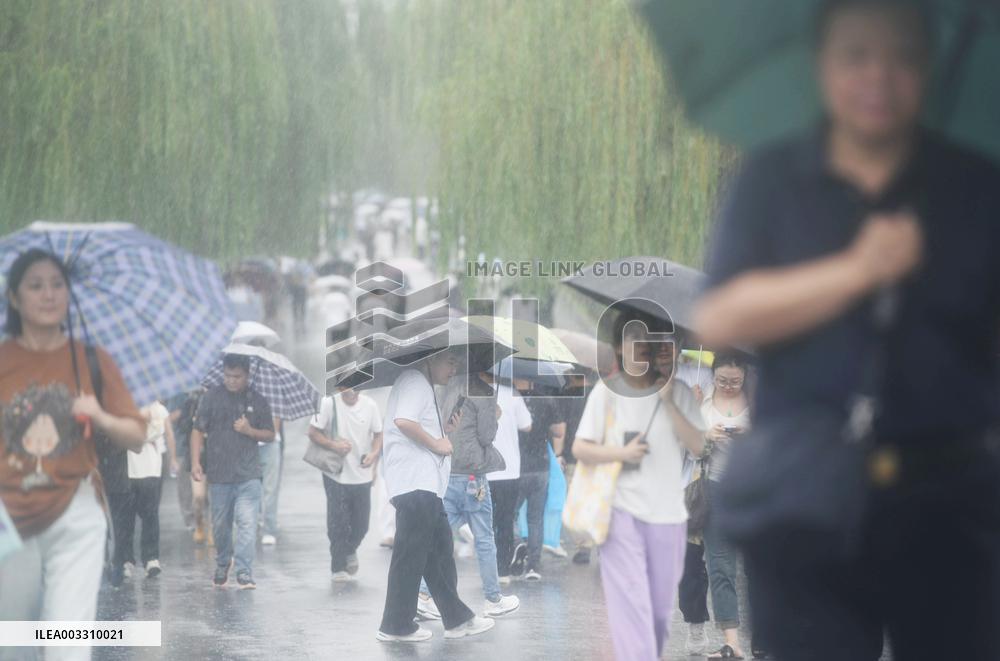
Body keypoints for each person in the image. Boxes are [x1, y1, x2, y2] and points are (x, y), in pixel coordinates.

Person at [694, 1, 1000, 658]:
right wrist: (858, 269)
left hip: (949, 498)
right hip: (802, 492)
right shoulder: (772, 179)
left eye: (903, 58)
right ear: (820, 66)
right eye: (857, 55)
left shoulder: (974, 184)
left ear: (930, 67)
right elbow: (720, 313)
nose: (879, 77)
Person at [0, 250, 145, 661]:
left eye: (57, 284)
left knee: (68, 642)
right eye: (35, 285)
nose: (48, 294)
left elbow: (136, 435)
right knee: (14, 646)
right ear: (14, 298)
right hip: (8, 520)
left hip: (76, 513)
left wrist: (100, 415)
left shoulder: (92, 361)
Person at [572, 310, 705, 661]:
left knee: (659, 616)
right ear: (620, 347)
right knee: (633, 610)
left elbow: (699, 447)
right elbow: (581, 447)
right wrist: (621, 452)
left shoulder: (680, 393)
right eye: (635, 340)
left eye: (652, 341)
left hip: (669, 518)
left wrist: (669, 401)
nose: (643, 348)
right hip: (620, 515)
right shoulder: (607, 393)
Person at [376, 350, 495, 642]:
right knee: (411, 556)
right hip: (415, 484)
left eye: (457, 361)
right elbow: (404, 421)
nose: (454, 368)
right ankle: (395, 626)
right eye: (450, 361)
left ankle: (456, 619)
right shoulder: (415, 380)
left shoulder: (421, 384)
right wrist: (437, 444)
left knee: (438, 553)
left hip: (425, 486)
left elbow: (417, 424)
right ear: (431, 359)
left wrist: (446, 429)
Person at [417, 372, 520, 619]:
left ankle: (421, 593)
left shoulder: (444, 386)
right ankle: (493, 599)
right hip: (473, 475)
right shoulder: (482, 390)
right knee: (484, 538)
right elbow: (486, 436)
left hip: (449, 468)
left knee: (441, 533)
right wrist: (494, 416)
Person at [190, 354, 275, 590]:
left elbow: (270, 434)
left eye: (237, 377)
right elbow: (197, 430)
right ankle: (222, 561)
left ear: (247, 375)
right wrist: (196, 462)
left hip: (248, 474)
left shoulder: (257, 400)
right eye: (228, 376)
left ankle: (244, 571)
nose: (231, 381)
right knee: (220, 524)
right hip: (219, 474)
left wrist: (250, 430)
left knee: (246, 523)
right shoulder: (211, 398)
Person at [699, 352, 751, 660]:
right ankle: (732, 641)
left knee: (760, 567)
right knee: (720, 566)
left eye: (735, 381)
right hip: (716, 488)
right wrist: (707, 437)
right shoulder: (701, 400)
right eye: (722, 380)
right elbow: (687, 443)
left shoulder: (761, 400)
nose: (728, 386)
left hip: (756, 489)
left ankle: (766, 636)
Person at [308, 387, 383, 581]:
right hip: (335, 473)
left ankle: (349, 550)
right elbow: (313, 432)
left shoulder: (370, 405)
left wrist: (374, 455)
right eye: (347, 385)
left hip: (362, 473)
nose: (352, 390)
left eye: (357, 384)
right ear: (340, 386)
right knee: (337, 522)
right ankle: (337, 566)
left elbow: (378, 434)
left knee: (362, 525)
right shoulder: (328, 403)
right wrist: (334, 445)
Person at [119, 400, 178, 580]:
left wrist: (173, 458)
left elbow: (166, 433)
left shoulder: (159, 409)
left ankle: (151, 559)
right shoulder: (123, 406)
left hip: (151, 468)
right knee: (125, 516)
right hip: (127, 468)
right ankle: (126, 559)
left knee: (150, 514)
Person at [511, 387, 565, 581]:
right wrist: (544, 424)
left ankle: (517, 545)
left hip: (517, 466)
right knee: (536, 518)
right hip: (541, 466)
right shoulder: (546, 398)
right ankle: (533, 566)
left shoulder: (511, 396)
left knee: (510, 514)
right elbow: (559, 431)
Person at [485, 374, 532, 585]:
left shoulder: (473, 391)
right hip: (510, 470)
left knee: (485, 522)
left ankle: (488, 568)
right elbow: (527, 425)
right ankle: (502, 571)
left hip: (484, 470)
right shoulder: (512, 392)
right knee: (505, 521)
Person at [558, 371, 596, 565]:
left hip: (574, 457)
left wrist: (559, 454)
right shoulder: (600, 394)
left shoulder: (568, 395)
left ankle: (584, 545)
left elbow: (561, 428)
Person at [258, 414, 282, 546]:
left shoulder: (273, 393)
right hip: (245, 441)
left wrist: (274, 432)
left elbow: (278, 411)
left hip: (270, 443)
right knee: (250, 486)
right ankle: (255, 519)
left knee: (270, 488)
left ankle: (269, 529)